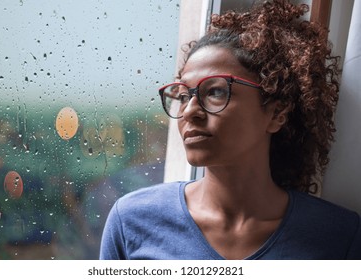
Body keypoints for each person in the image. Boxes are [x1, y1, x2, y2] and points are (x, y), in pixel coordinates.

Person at [100, 0, 361, 259]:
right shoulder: (132, 222)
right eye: (182, 96)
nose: (189, 110)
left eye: (215, 91)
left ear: (276, 113)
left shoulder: (339, 237)